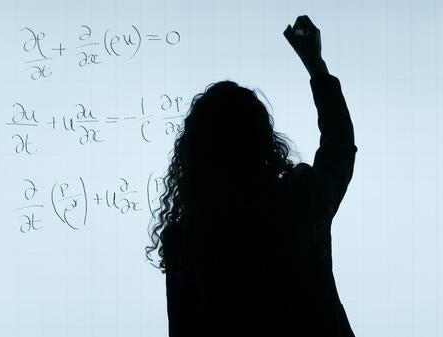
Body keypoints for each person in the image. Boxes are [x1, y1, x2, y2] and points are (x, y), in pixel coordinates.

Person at [146, 15, 357, 337]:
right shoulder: (300, 200)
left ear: (195, 154)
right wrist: (316, 65)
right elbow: (339, 147)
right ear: (264, 141)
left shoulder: (185, 240)